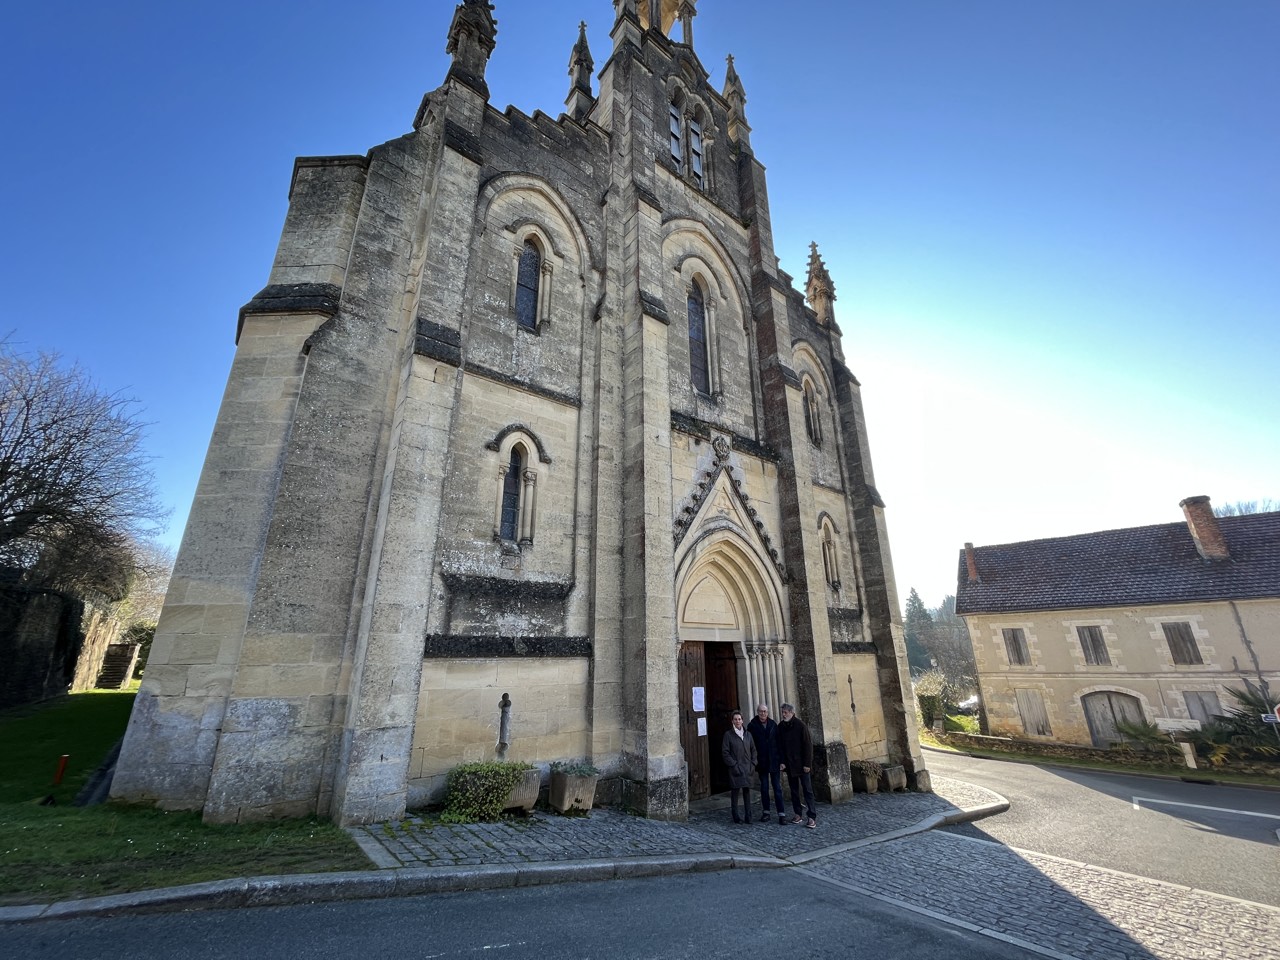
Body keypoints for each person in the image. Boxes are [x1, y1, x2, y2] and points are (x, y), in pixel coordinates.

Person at [777, 702, 816, 828]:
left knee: (807, 791)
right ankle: (798, 814)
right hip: (789, 764)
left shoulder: (800, 725)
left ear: (792, 713)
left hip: (802, 764)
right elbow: (780, 747)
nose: (783, 714)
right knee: (794, 791)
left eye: (785, 712)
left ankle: (811, 816)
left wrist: (807, 764)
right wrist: (782, 762)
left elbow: (808, 745)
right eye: (782, 712)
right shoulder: (781, 726)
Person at [746, 703, 785, 824]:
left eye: (765, 711)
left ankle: (781, 814)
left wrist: (782, 761)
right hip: (761, 761)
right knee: (764, 788)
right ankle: (766, 812)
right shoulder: (752, 726)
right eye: (761, 711)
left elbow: (780, 744)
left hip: (774, 760)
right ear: (757, 712)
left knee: (777, 788)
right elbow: (750, 745)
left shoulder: (773, 724)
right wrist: (753, 760)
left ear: (768, 713)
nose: (763, 714)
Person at [720, 709, 758, 824]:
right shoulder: (728, 735)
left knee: (747, 792)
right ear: (732, 721)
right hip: (736, 768)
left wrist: (753, 763)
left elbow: (753, 750)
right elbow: (725, 752)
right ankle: (736, 816)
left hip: (747, 768)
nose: (738, 721)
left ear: (742, 720)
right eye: (735, 719)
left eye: (739, 719)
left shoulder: (748, 734)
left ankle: (748, 816)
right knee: (735, 793)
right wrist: (733, 765)